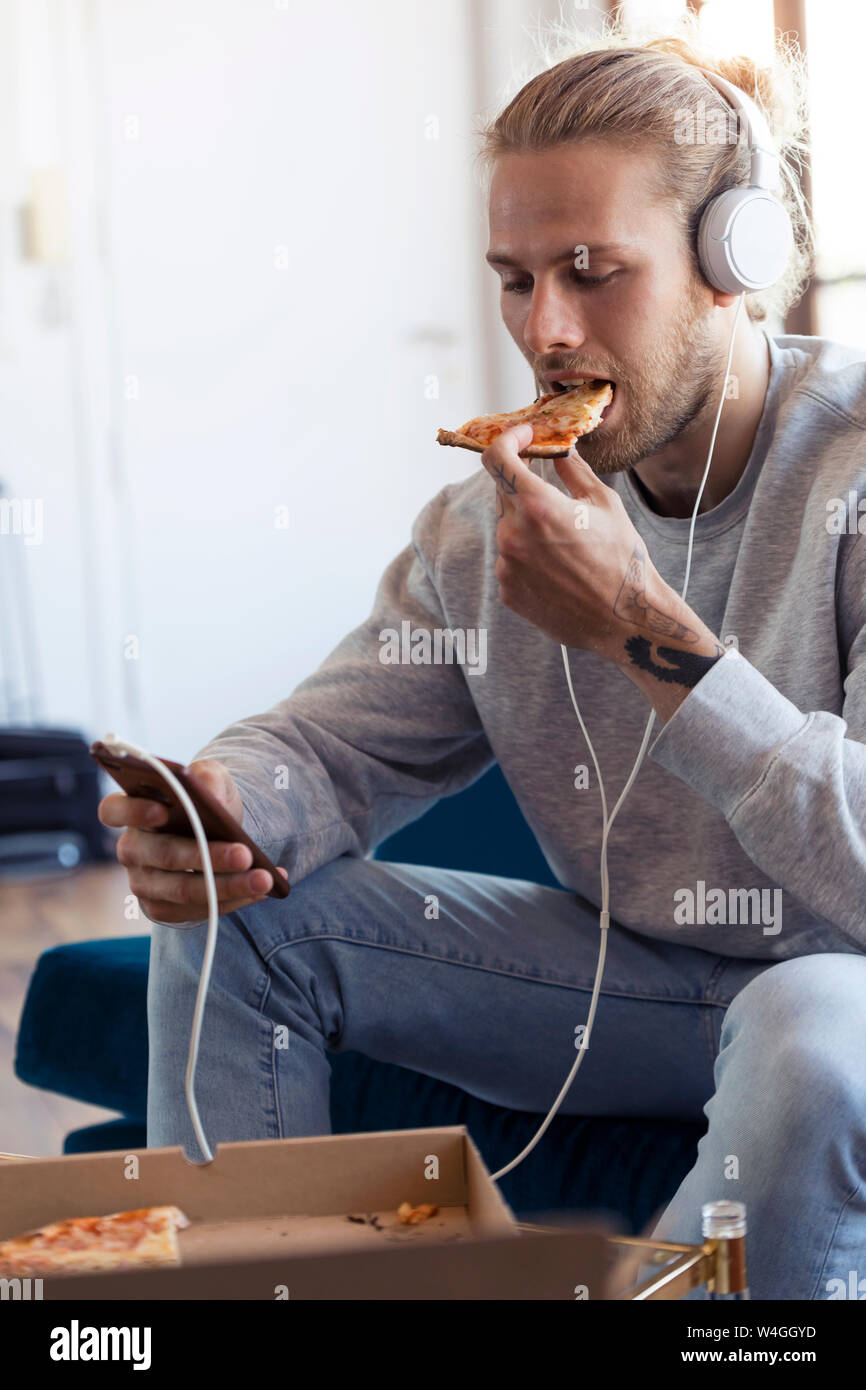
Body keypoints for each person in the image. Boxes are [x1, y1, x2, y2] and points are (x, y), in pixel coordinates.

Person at [100, 25, 866, 1300]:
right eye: (514, 278)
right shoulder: (490, 521)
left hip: (830, 999)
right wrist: (228, 807)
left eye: (589, 270)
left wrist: (647, 633)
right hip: (630, 982)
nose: (544, 331)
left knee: (812, 1033)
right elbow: (330, 744)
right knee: (246, 929)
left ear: (733, 262)